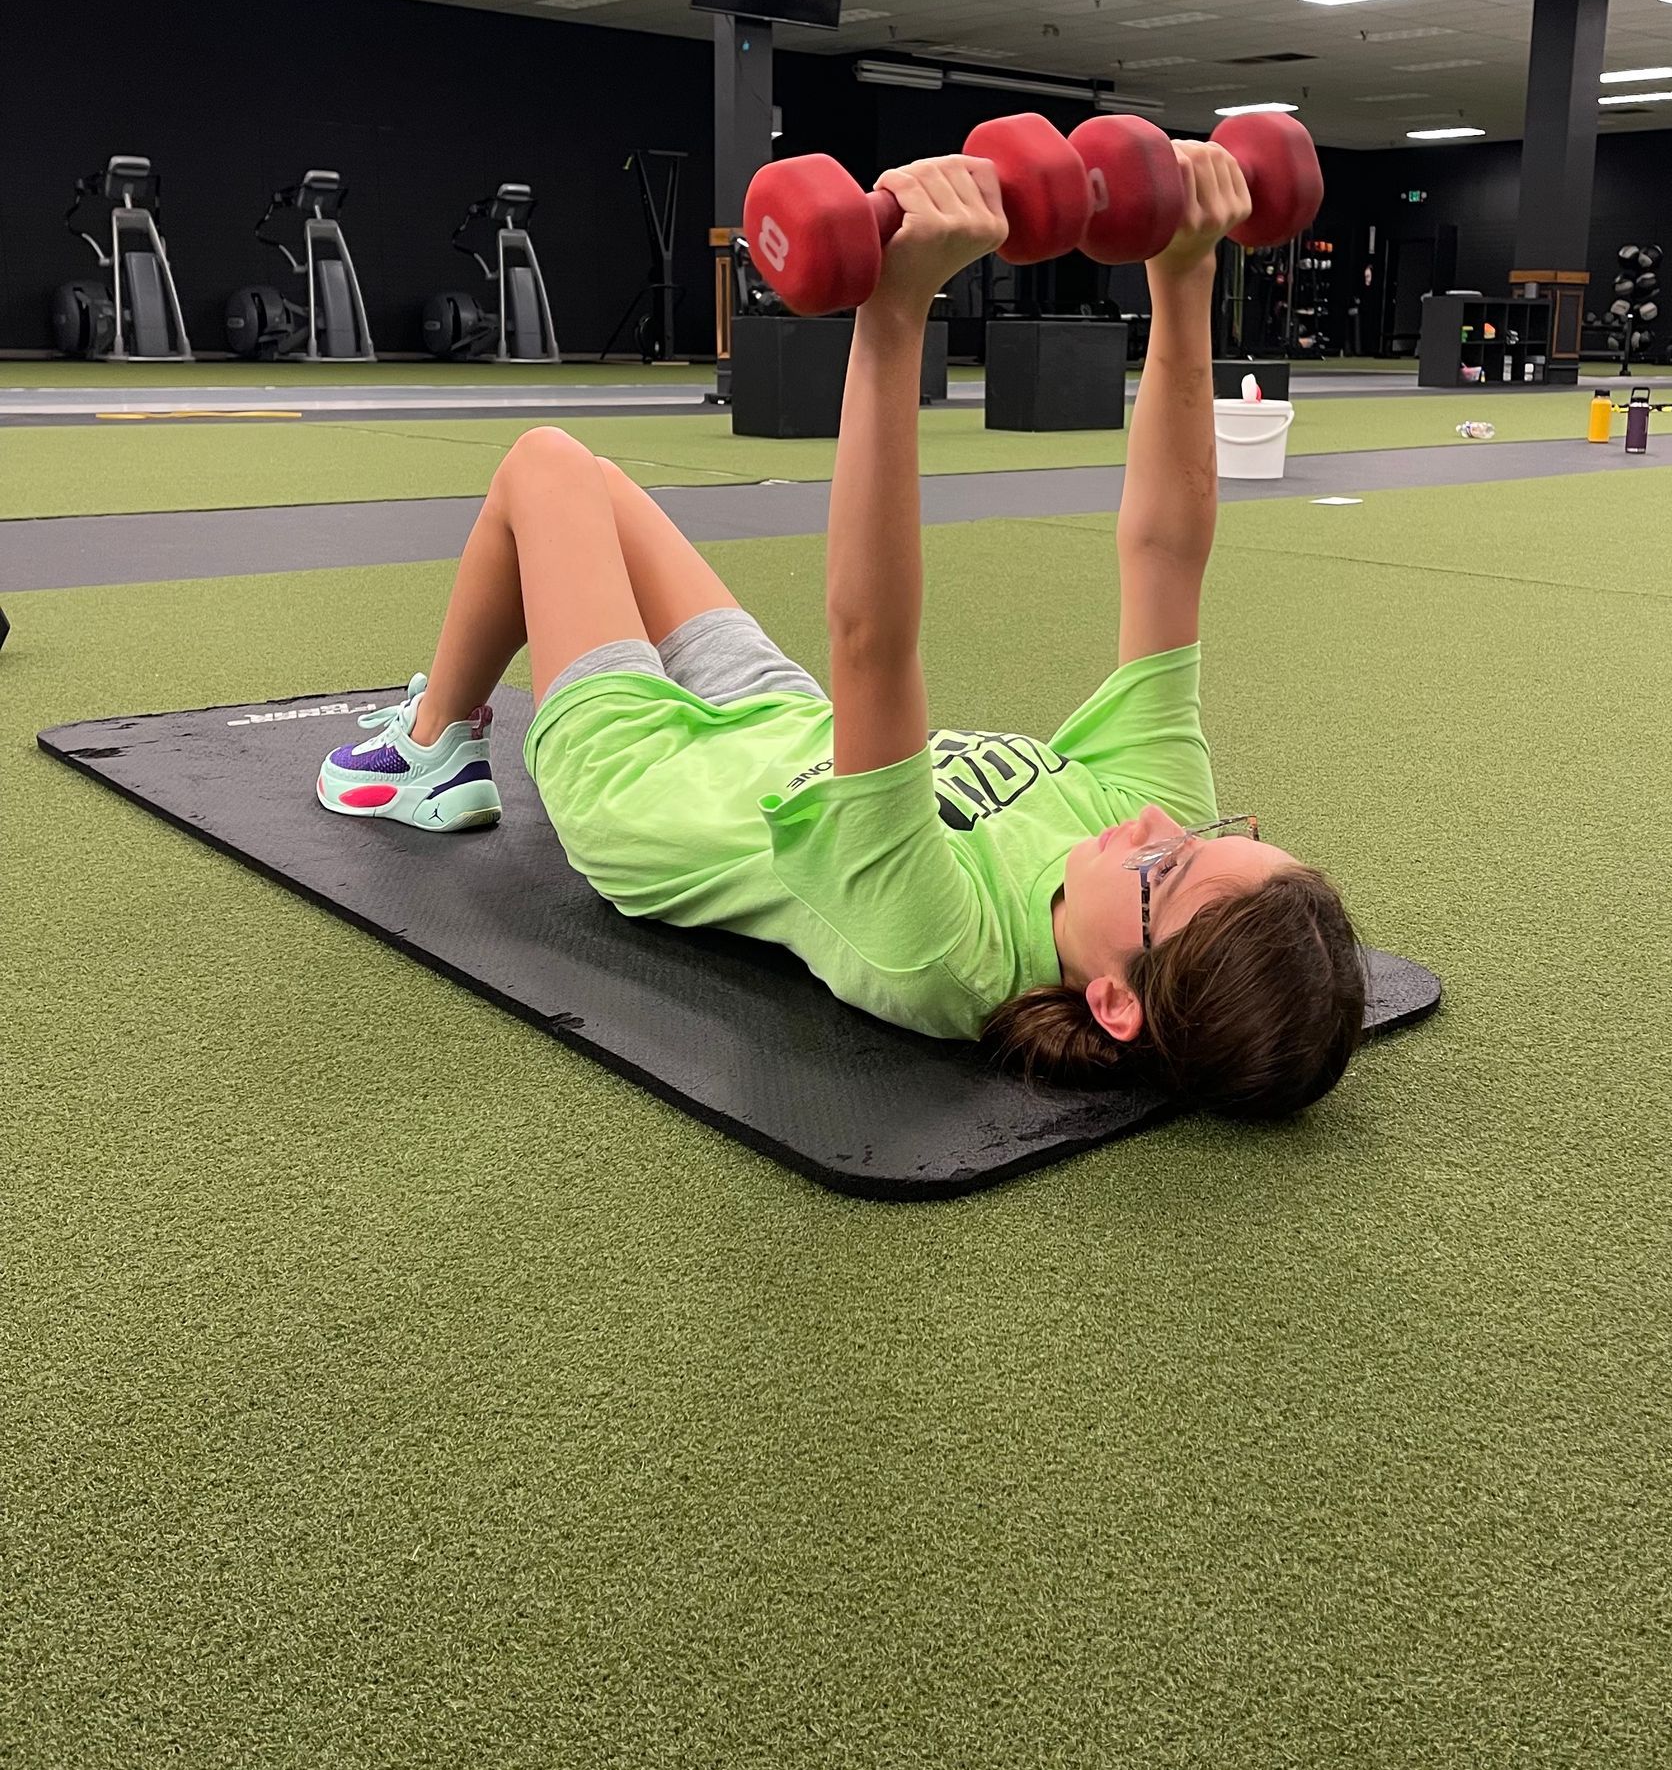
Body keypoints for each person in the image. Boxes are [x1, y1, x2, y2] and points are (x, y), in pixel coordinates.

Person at [317, 144, 1365, 1117]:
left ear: (1116, 1002)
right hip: (776, 720)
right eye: (1214, 835)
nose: (1158, 826)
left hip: (649, 788)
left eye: (1166, 870)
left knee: (544, 464)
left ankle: (430, 750)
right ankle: (443, 725)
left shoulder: (945, 951)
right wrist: (1185, 274)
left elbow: (872, 638)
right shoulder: (1148, 825)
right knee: (598, 482)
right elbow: (1168, 555)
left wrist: (894, 311)